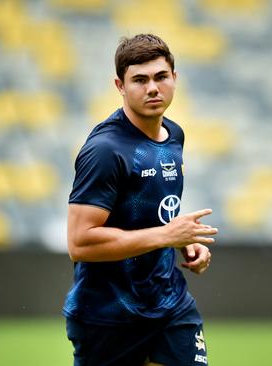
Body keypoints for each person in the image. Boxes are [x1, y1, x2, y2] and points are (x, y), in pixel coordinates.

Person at [64, 33, 218, 366]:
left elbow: (149, 211)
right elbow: (80, 243)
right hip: (108, 315)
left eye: (161, 77)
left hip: (169, 304)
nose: (152, 88)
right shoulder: (105, 151)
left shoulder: (174, 135)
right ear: (120, 85)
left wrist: (183, 242)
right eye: (140, 80)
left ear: (174, 79)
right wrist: (166, 236)